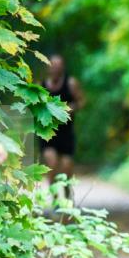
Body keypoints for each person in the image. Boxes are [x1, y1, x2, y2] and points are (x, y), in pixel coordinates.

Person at [39, 55, 85, 200]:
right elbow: (33, 105)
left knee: (65, 168)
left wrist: (71, 108)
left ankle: (65, 194)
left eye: (58, 66)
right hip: (47, 132)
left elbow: (82, 101)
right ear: (48, 67)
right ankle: (56, 199)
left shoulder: (71, 83)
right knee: (51, 163)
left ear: (63, 68)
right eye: (53, 65)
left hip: (66, 132)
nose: (55, 68)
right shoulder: (40, 86)